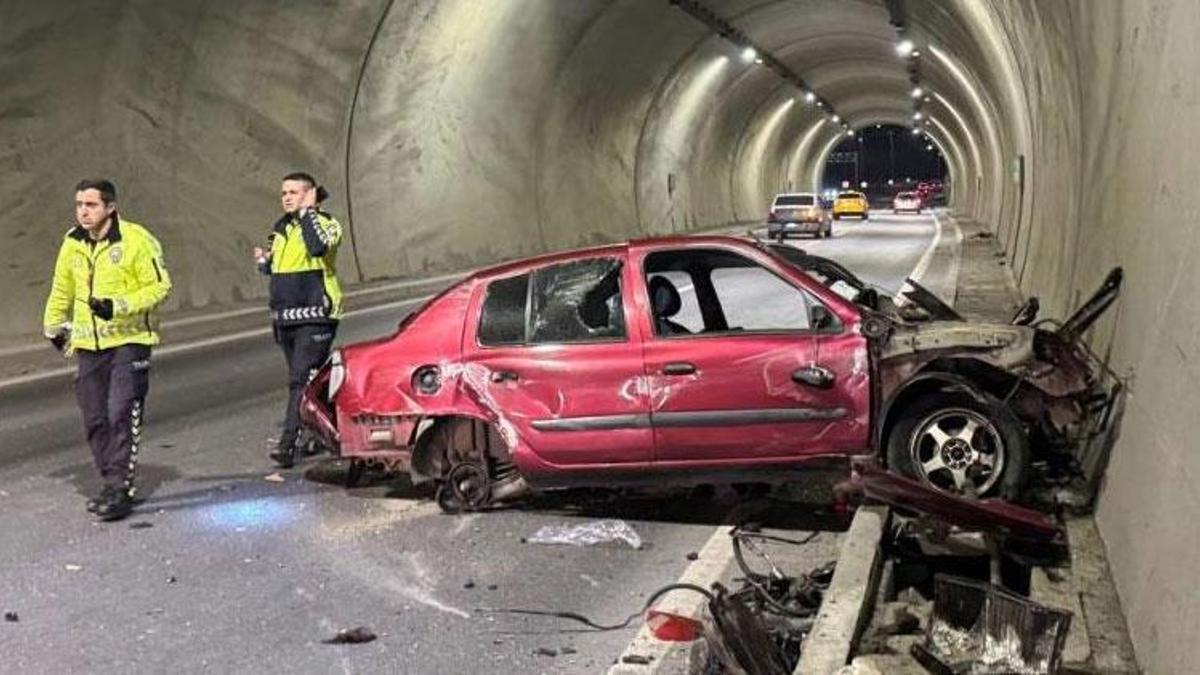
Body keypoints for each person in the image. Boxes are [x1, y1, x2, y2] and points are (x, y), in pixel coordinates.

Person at [43, 179, 172, 521]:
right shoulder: (72, 243)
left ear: (110, 207)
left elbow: (160, 287)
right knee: (95, 418)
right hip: (89, 344)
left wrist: (118, 306)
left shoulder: (136, 240)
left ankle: (119, 487)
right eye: (79, 205)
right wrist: (53, 326)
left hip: (130, 341)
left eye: (91, 205)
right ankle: (110, 481)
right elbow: (61, 287)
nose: (83, 211)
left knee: (120, 412)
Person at [255, 172, 343, 468]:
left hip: (316, 315)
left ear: (310, 194)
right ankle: (327, 430)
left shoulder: (327, 224)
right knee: (308, 381)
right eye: (284, 193)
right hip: (285, 317)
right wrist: (264, 263)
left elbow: (318, 247)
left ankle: (287, 444)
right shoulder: (279, 230)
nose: (287, 197)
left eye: (294, 192)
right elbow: (280, 268)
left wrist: (309, 212)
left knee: (298, 380)